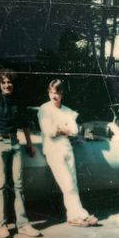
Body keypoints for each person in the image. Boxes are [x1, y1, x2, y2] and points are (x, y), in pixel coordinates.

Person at [0, 69, 41, 238]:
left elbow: (25, 123)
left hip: (14, 142)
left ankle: (23, 224)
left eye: (9, 82)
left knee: (18, 184)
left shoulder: (18, 101)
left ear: (13, 84)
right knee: (1, 184)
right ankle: (1, 226)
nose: (7, 85)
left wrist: (29, 144)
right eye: (3, 82)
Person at [38, 79, 98, 227]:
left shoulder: (67, 111)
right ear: (49, 93)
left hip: (66, 148)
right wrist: (63, 129)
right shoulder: (44, 109)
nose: (54, 96)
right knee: (68, 184)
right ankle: (73, 216)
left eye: (57, 93)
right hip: (53, 150)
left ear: (61, 94)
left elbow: (75, 131)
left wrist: (61, 128)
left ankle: (81, 214)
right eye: (52, 92)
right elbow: (49, 131)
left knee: (73, 183)